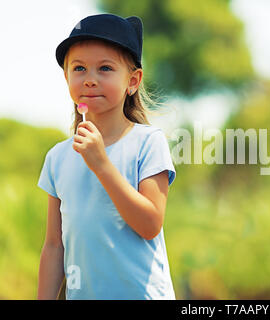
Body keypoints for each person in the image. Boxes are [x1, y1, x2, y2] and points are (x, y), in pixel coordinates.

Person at [36, 13, 177, 300]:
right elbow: (54, 246)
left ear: (133, 81)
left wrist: (101, 163)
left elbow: (150, 225)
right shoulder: (57, 157)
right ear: (66, 77)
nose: (90, 80)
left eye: (105, 68)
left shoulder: (148, 142)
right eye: (79, 69)